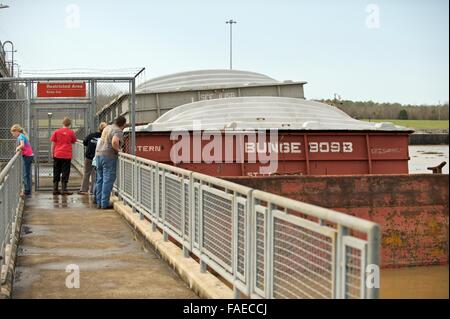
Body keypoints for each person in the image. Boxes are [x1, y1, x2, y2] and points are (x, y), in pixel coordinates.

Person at [95, 116, 126, 209]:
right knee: (107, 180)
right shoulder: (118, 130)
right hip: (108, 156)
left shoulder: (107, 127)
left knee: (100, 179)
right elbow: (115, 141)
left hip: (98, 155)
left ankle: (99, 202)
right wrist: (118, 150)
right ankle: (104, 203)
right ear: (123, 124)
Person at [78, 122, 107, 195]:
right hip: (98, 157)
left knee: (86, 173)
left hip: (88, 157)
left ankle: (84, 190)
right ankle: (93, 191)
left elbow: (84, 142)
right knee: (95, 174)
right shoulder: (105, 138)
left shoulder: (91, 135)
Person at [50, 117, 77, 195]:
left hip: (57, 153)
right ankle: (64, 189)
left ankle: (55, 189)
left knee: (56, 170)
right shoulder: (71, 132)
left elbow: (53, 143)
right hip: (66, 155)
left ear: (63, 123)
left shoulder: (57, 131)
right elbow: (74, 141)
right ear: (70, 124)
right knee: (65, 171)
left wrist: (52, 152)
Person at [10, 124, 34, 198]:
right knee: (27, 174)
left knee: (26, 174)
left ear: (17, 131)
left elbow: (22, 145)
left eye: (13, 133)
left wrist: (18, 147)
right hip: (29, 156)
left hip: (27, 156)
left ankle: (27, 192)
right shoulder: (22, 136)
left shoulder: (20, 136)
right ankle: (27, 191)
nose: (13, 135)